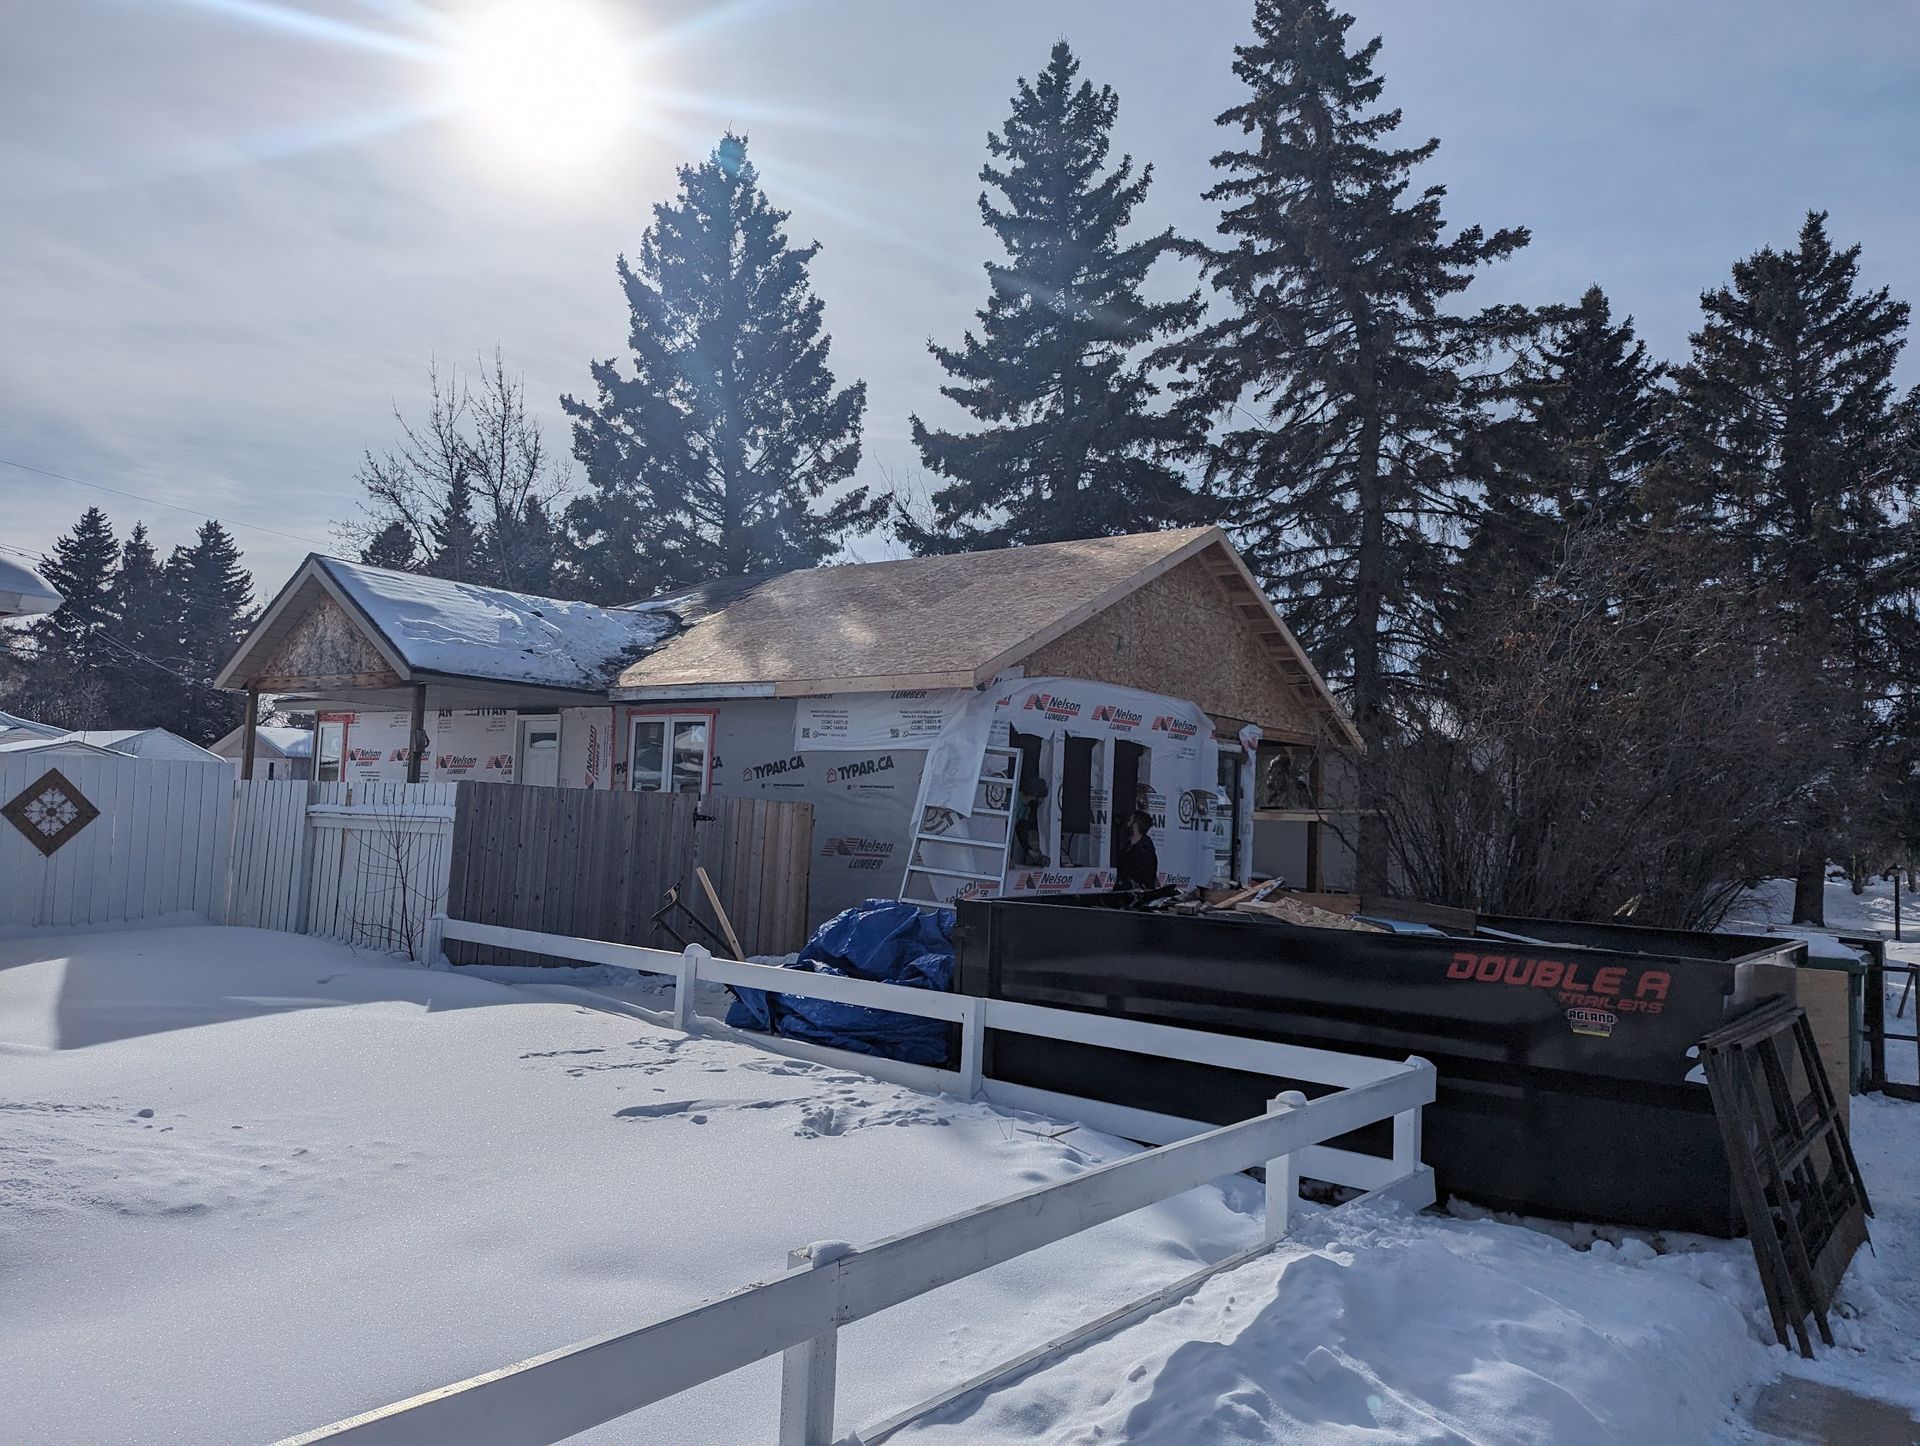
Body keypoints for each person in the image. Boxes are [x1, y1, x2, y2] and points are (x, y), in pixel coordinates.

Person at [1115, 809, 1158, 892]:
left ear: (1135, 825)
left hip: (1136, 898)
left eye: (1129, 821)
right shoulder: (1128, 848)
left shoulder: (1145, 852)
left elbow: (1144, 881)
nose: (1127, 824)